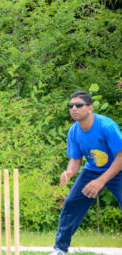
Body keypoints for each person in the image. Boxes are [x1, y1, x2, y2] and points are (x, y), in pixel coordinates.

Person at [51, 91, 122, 255]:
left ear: (90, 108)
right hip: (92, 170)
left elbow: (121, 156)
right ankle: (60, 249)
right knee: (71, 205)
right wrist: (69, 172)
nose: (74, 108)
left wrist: (101, 180)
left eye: (79, 105)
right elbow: (76, 160)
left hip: (118, 169)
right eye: (71, 106)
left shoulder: (106, 126)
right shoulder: (74, 131)